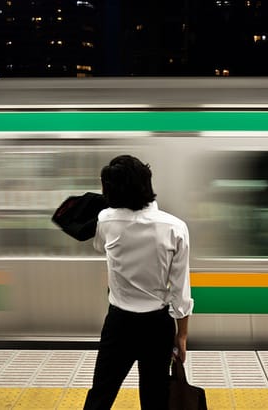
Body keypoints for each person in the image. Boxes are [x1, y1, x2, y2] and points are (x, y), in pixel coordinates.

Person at [83, 155, 194, 410]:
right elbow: (180, 290)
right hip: (157, 327)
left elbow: (100, 246)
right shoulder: (175, 227)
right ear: (147, 183)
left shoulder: (105, 221)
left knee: (101, 393)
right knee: (155, 398)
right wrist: (183, 335)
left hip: (118, 324)